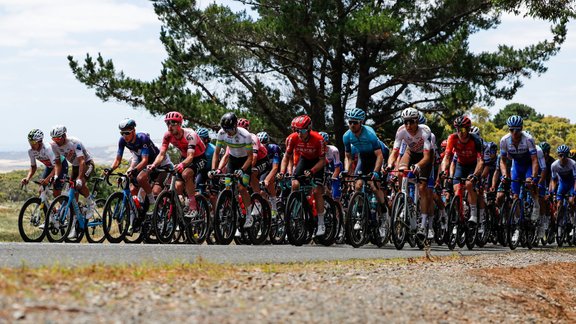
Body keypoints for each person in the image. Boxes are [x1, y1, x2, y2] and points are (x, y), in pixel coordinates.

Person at [148, 112, 206, 218]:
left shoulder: (190, 135)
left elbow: (191, 156)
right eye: (167, 123)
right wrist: (154, 165)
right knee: (178, 186)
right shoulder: (167, 135)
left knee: (186, 174)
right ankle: (183, 205)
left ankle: (193, 207)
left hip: (198, 157)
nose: (170, 126)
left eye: (173, 123)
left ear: (180, 124)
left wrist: (182, 165)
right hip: (185, 157)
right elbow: (162, 154)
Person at [387, 107, 434, 237]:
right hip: (411, 152)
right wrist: (390, 164)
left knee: (423, 187)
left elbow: (427, 157)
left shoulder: (425, 131)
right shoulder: (401, 130)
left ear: (417, 121)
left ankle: (423, 225)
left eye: (411, 122)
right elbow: (395, 152)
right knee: (401, 172)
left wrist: (418, 166)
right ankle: (405, 199)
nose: (408, 125)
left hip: (425, 157)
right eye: (405, 122)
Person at [278, 114, 327, 236]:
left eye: (303, 130)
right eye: (297, 130)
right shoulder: (292, 138)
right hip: (304, 160)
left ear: (309, 129)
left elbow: (322, 160)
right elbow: (286, 157)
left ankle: (321, 222)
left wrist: (312, 171)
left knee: (316, 191)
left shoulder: (319, 139)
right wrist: (281, 172)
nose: (299, 133)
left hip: (317, 162)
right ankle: (297, 210)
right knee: (294, 184)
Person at [105, 118, 171, 207]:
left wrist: (134, 170)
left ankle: (152, 202)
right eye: (122, 133)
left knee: (145, 182)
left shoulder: (143, 138)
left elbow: (144, 160)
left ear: (134, 131)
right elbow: (118, 160)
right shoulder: (122, 141)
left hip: (159, 163)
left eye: (127, 133)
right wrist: (110, 170)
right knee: (132, 188)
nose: (124, 136)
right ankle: (137, 213)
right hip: (147, 163)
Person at [343, 108, 386, 233]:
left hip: (376, 156)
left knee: (373, 186)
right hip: (363, 157)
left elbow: (379, 156)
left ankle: (383, 213)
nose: (352, 125)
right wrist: (346, 170)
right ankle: (359, 216)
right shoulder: (346, 136)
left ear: (361, 122)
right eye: (350, 122)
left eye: (355, 122)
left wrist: (376, 172)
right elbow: (348, 157)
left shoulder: (370, 134)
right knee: (358, 185)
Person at [209, 112, 256, 228]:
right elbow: (216, 153)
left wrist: (242, 169)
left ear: (235, 126)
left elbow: (251, 157)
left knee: (241, 187)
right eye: (225, 130)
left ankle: (249, 215)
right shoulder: (221, 133)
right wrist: (215, 169)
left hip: (245, 161)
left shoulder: (245, 135)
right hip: (233, 160)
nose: (228, 133)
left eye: (229, 129)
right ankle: (233, 210)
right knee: (227, 185)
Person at [49, 125, 95, 239]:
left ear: (64, 135)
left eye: (58, 138)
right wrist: (56, 176)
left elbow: (82, 161)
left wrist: (79, 178)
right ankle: (75, 222)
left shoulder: (75, 142)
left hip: (87, 164)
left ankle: (91, 203)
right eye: (54, 139)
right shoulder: (54, 146)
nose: (56, 141)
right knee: (72, 194)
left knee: (80, 184)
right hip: (75, 166)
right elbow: (58, 163)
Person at [439, 117, 484, 229]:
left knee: (469, 184)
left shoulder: (476, 140)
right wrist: (445, 170)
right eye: (458, 129)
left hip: (473, 166)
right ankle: (459, 216)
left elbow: (480, 161)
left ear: (468, 130)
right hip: (461, 165)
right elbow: (447, 157)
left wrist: (475, 175)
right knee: (456, 189)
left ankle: (473, 215)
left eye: (463, 130)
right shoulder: (452, 138)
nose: (460, 132)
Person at [498, 115, 540, 223]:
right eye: (512, 130)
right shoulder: (504, 140)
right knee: (515, 196)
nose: (514, 133)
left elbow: (535, 160)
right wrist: (504, 174)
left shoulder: (529, 139)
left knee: (529, 183)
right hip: (516, 165)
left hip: (528, 165)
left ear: (521, 128)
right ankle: (518, 222)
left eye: (517, 130)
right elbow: (502, 160)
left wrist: (533, 176)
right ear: (509, 129)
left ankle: (536, 204)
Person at [21, 129, 68, 196]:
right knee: (41, 190)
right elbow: (33, 167)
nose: (31, 145)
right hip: (50, 167)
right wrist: (27, 178)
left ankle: (65, 205)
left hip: (60, 165)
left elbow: (56, 166)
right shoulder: (30, 151)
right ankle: (48, 206)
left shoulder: (48, 149)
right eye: (30, 142)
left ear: (40, 141)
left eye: (34, 142)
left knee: (56, 193)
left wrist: (47, 179)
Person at [548, 144, 576, 228]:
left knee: (571, 201)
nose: (562, 157)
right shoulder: (554, 165)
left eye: (565, 155)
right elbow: (554, 179)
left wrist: (574, 192)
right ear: (558, 155)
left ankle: (573, 218)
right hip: (562, 183)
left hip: (572, 183)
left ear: (568, 155)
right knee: (559, 203)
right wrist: (553, 191)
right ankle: (560, 221)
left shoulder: (573, 164)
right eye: (560, 155)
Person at [257, 131, 282, 218]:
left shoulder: (274, 148)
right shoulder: (256, 149)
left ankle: (274, 207)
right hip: (265, 168)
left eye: (264, 143)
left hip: (276, 168)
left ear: (267, 143)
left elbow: (275, 168)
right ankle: (266, 206)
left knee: (269, 182)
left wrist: (267, 180)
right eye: (260, 143)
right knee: (260, 191)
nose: (262, 145)